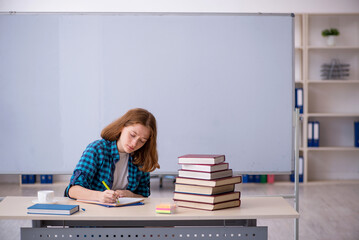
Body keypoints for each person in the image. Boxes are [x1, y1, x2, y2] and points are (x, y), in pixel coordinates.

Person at [64, 108, 160, 203]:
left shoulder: (141, 157)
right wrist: (99, 196)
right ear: (122, 127)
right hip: (95, 214)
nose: (134, 144)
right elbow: (73, 190)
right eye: (132, 135)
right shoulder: (97, 149)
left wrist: (130, 195)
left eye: (142, 141)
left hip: (127, 214)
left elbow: (144, 195)